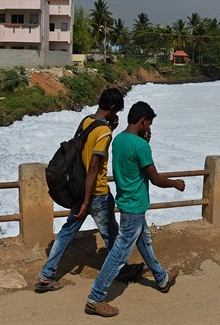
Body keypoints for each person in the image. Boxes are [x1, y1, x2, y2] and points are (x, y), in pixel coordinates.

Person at [35, 88, 143, 293]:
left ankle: (46, 275)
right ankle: (119, 271)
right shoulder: (104, 133)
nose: (117, 114)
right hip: (96, 193)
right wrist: (87, 201)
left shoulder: (86, 121)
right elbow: (94, 166)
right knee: (112, 234)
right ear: (111, 107)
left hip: (79, 187)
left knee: (67, 232)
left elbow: (83, 152)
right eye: (117, 111)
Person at [84, 101, 186, 317]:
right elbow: (155, 179)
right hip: (135, 205)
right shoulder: (140, 146)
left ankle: (162, 279)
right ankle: (95, 298)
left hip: (126, 200)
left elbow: (130, 164)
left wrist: (143, 140)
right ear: (142, 121)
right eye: (149, 123)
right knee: (119, 254)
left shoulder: (119, 139)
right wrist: (176, 183)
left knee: (144, 241)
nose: (149, 128)